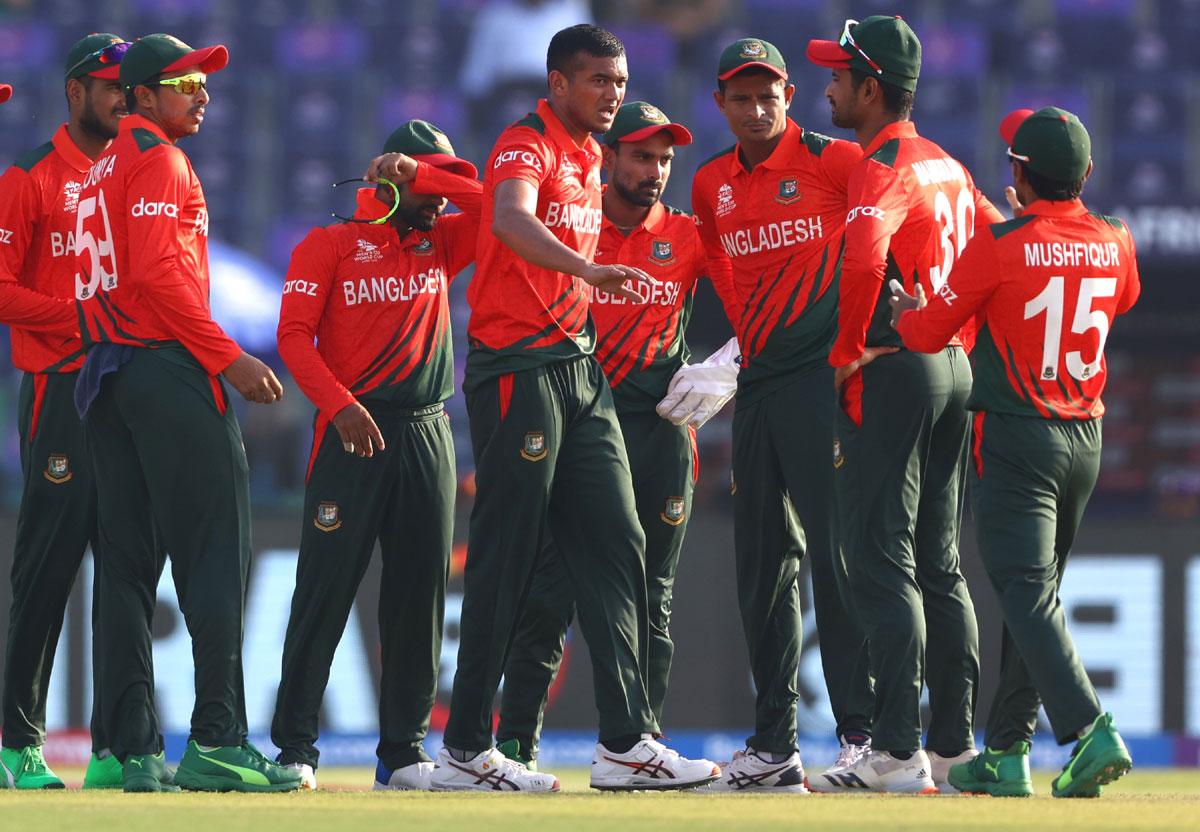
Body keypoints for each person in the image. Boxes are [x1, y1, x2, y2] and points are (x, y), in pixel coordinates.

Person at [427, 24, 718, 792]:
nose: (612, 94)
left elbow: (487, 200)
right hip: (517, 364)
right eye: (598, 81)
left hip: (575, 365)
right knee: (508, 553)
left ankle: (625, 744)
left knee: (620, 541)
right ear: (558, 84)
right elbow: (509, 216)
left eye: (619, 81)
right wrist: (589, 268)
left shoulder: (591, 154)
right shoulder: (529, 142)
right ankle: (465, 747)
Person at [72, 33, 298, 793]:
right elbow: (161, 276)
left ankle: (132, 752)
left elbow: (115, 277)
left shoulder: (98, 168)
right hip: (165, 368)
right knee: (214, 554)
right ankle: (219, 741)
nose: (202, 93)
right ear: (139, 96)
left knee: (129, 567)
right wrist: (226, 356)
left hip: (105, 377)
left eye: (204, 82)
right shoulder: (160, 161)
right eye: (184, 81)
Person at [890, 107, 1138, 798]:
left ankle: (1091, 730)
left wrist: (900, 310)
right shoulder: (1118, 240)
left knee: (1025, 593)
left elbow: (926, 331)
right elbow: (1121, 299)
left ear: (1018, 174)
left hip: (1017, 434)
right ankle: (1004, 751)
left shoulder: (1000, 241)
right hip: (1085, 435)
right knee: (1040, 600)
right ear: (1086, 174)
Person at [491, 101, 737, 769]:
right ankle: (515, 742)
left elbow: (762, 297)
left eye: (664, 160)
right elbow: (492, 211)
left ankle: (637, 744)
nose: (655, 171)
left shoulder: (689, 234)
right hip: (581, 429)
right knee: (550, 591)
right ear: (611, 158)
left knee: (652, 593)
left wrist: (729, 365)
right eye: (641, 156)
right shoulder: (573, 217)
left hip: (660, 433)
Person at [806, 16, 1003, 792]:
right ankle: (953, 748)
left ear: (871, 86)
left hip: (896, 367)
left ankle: (892, 751)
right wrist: (965, 329)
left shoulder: (882, 164)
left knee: (879, 557)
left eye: (838, 75)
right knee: (940, 565)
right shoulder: (948, 164)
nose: (827, 86)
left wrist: (849, 346)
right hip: (950, 365)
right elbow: (997, 243)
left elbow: (860, 256)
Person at [686, 37, 873, 792]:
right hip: (759, 386)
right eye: (742, 96)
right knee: (762, 565)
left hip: (821, 384)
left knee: (839, 556)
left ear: (790, 96)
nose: (757, 107)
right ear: (721, 104)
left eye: (770, 95)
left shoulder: (836, 162)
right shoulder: (710, 185)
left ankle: (865, 736)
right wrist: (738, 348)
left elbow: (882, 237)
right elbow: (725, 269)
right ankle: (774, 745)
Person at [271, 120, 481, 792]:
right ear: (389, 180)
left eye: (438, 181)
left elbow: (492, 199)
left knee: (419, 597)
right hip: (349, 431)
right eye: (426, 179)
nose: (438, 196)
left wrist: (422, 176)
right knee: (324, 592)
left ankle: (402, 754)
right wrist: (339, 406)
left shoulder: (442, 239)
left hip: (426, 430)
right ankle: (296, 748)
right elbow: (294, 339)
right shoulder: (329, 244)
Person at [0, 33, 137, 792]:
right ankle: (18, 743)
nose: (124, 96)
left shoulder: (132, 176)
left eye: (129, 85)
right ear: (75, 92)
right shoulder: (28, 178)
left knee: (125, 568)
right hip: (61, 385)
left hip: (126, 392)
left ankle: (115, 748)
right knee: (48, 567)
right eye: (110, 84)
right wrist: (83, 318)